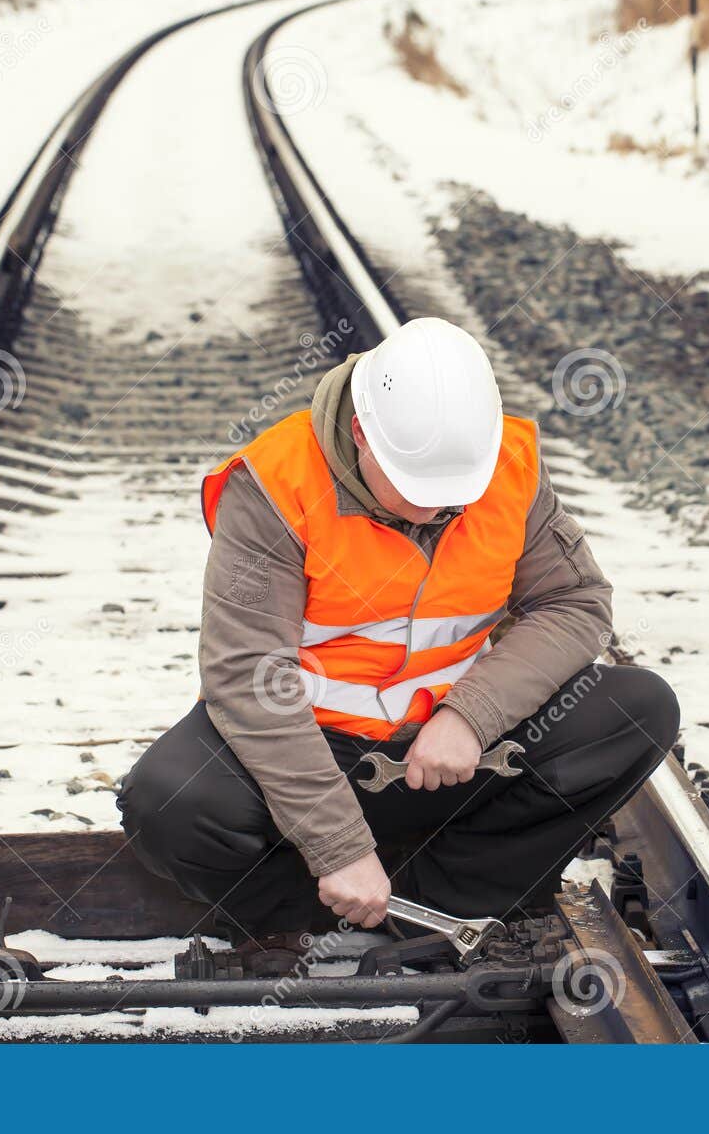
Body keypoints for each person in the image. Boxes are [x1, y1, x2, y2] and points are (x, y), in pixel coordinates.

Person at [119, 318, 678, 940]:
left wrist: (470, 715)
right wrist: (338, 847)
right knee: (170, 801)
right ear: (361, 433)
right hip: (312, 751)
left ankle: (436, 913)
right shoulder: (275, 484)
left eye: (455, 496)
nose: (438, 510)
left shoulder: (504, 464)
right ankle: (321, 921)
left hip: (449, 756)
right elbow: (248, 676)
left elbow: (574, 601)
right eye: (418, 491)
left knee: (637, 707)